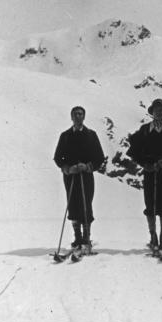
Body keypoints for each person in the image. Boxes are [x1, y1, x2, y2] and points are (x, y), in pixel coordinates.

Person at [127, 98, 162, 252]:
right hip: (150, 171)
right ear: (152, 112)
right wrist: (145, 164)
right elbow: (133, 151)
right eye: (156, 109)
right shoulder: (144, 129)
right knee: (150, 203)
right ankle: (153, 236)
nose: (159, 112)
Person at [52, 106, 105, 254]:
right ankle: (77, 237)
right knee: (73, 203)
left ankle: (87, 238)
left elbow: (99, 157)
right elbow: (58, 157)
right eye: (75, 114)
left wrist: (87, 166)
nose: (78, 116)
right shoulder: (65, 136)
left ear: (84, 116)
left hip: (86, 175)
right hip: (70, 176)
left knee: (86, 203)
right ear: (71, 117)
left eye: (80, 114)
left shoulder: (91, 135)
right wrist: (67, 168)